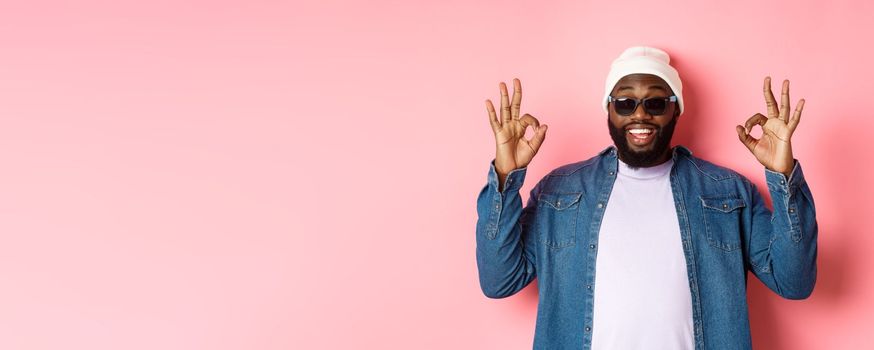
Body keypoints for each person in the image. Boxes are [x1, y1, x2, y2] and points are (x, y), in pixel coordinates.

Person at [475, 46, 817, 350]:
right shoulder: (559, 191)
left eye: (655, 102)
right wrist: (505, 177)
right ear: (609, 110)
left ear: (676, 110)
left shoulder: (729, 191)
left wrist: (782, 175)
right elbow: (500, 280)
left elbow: (794, 282)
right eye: (625, 102)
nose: (640, 115)